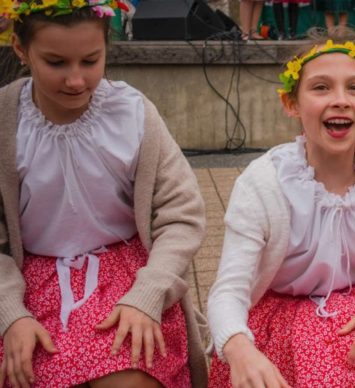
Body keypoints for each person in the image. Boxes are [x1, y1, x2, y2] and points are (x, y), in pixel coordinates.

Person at [206, 27, 355, 388]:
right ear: (291, 103)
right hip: (280, 317)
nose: (340, 100)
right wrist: (238, 347)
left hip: (354, 304)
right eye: (321, 87)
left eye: (354, 88)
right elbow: (228, 290)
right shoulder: (263, 182)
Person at [0, 1, 208, 387]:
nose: (76, 80)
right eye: (56, 63)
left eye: (90, 61)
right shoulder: (5, 120)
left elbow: (182, 214)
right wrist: (11, 313)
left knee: (129, 376)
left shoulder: (131, 113)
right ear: (20, 49)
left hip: (128, 277)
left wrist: (147, 294)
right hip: (30, 285)